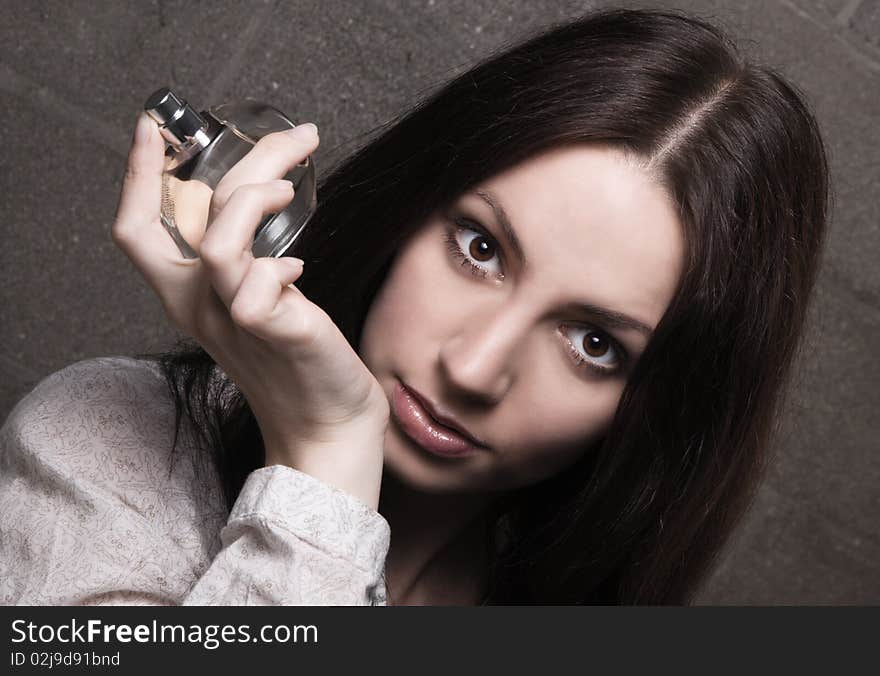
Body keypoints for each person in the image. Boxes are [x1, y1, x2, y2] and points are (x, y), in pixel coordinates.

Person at [0, 7, 829, 605]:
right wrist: (324, 457)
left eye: (594, 343)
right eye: (480, 249)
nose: (472, 367)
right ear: (411, 209)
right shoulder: (105, 448)